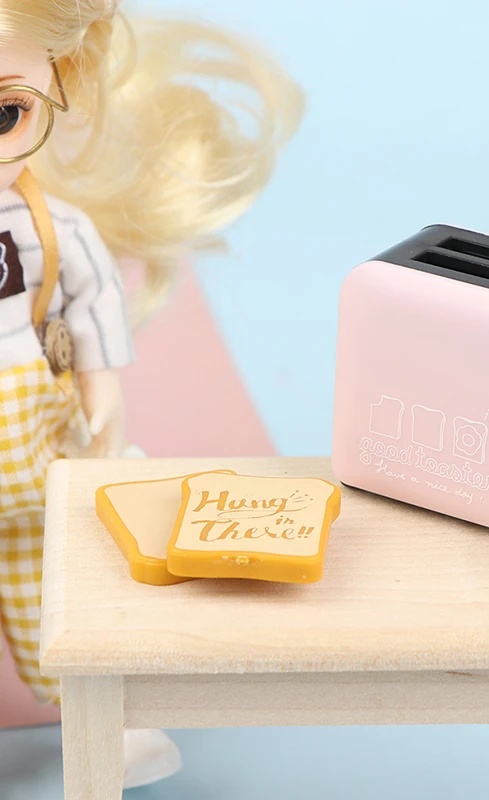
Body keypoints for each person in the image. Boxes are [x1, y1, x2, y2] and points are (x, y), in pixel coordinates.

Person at [0, 0, 302, 787]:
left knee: (61, 599)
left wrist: (102, 400)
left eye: (5, 114)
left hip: (32, 456)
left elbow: (92, 308)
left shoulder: (52, 229)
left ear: (59, 85)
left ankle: (111, 722)